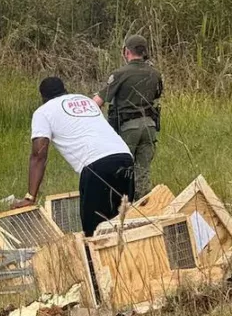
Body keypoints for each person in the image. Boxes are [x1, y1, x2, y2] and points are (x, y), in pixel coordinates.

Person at [13, 77, 134, 237]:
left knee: (94, 231)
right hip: (125, 158)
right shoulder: (86, 101)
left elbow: (39, 155)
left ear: (43, 97)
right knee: (123, 224)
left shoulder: (43, 112)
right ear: (65, 90)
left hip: (96, 166)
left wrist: (30, 197)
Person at [92, 34, 163, 200]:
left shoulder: (120, 73)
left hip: (128, 127)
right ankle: (143, 203)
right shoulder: (155, 73)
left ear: (126, 51)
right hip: (150, 126)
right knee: (143, 171)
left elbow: (97, 102)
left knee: (122, 169)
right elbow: (157, 94)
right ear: (144, 51)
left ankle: (121, 205)